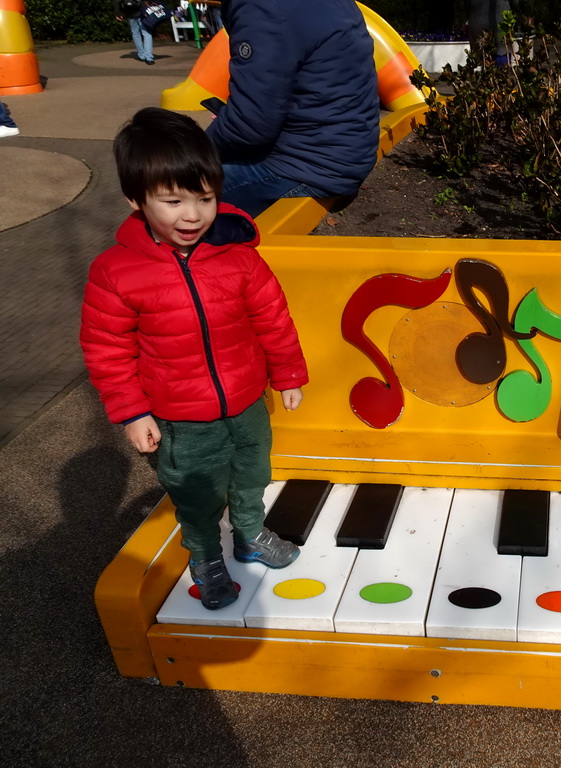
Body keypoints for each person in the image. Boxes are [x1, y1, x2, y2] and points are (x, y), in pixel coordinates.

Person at [80, 107, 309, 610]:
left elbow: (273, 317)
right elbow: (108, 349)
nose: (192, 215)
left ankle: (249, 532)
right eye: (173, 201)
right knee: (197, 495)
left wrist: (287, 373)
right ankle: (206, 557)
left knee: (253, 474)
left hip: (246, 400)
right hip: (180, 417)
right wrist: (132, 411)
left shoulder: (238, 254)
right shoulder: (116, 272)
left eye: (205, 198)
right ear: (136, 200)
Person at [206, 0, 379, 218]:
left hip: (307, 166)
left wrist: (194, 150)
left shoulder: (263, 8)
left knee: (164, 193)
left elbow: (249, 124)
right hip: (344, 151)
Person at [113, 0, 155, 65]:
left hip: (130, 13)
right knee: (147, 33)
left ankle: (142, 55)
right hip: (143, 11)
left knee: (135, 34)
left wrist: (118, 13)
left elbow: (117, 1)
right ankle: (149, 57)